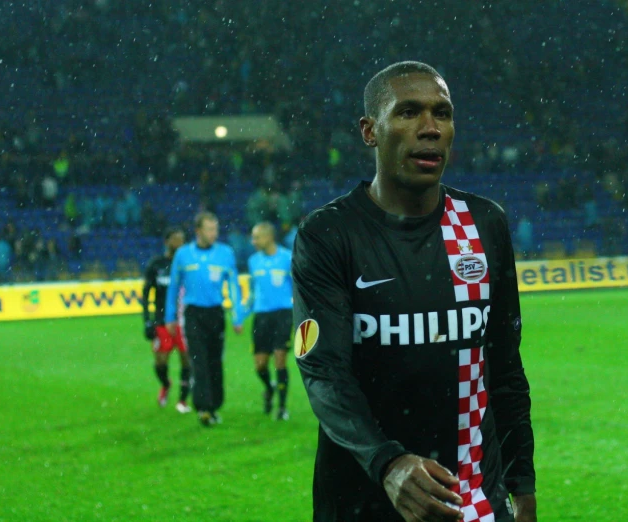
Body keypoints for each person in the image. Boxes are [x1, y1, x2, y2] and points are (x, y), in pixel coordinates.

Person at [292, 61, 536, 522]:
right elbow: (324, 373)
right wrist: (389, 462)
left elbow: (504, 370)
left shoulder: (484, 225)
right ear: (370, 131)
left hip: (475, 501)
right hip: (362, 500)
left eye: (442, 114)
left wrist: (522, 486)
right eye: (408, 113)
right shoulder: (329, 235)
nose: (430, 129)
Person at [165, 211, 245, 427]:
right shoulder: (183, 255)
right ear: (198, 231)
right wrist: (169, 317)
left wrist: (238, 316)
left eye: (216, 228)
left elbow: (234, 286)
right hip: (193, 314)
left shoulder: (226, 253)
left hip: (215, 314)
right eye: (210, 229)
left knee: (215, 361)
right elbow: (173, 288)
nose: (214, 233)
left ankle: (214, 404)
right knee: (198, 361)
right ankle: (203, 408)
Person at [141, 227, 192, 414]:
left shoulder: (188, 264)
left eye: (182, 240)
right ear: (166, 242)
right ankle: (165, 383)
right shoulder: (157, 264)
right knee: (160, 362)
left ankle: (183, 400)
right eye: (175, 240)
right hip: (162, 320)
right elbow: (146, 294)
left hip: (184, 320)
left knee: (187, 360)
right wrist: (147, 320)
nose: (179, 244)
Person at [246, 222, 293, 420]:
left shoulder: (287, 258)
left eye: (257, 237)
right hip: (261, 317)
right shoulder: (253, 261)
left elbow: (298, 288)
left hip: (283, 314)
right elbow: (252, 292)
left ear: (269, 237)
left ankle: (281, 407)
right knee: (260, 365)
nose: (253, 241)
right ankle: (269, 387)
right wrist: (240, 317)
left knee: (280, 358)